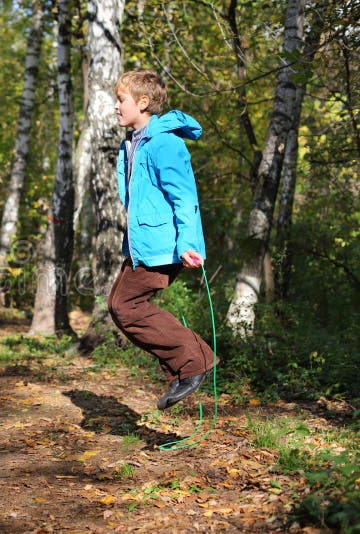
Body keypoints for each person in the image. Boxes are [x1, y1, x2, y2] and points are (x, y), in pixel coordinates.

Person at [108, 69, 215, 410]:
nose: (116, 106)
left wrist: (188, 244)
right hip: (144, 244)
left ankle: (194, 362)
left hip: (165, 246)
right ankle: (183, 369)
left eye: (121, 99)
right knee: (119, 305)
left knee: (127, 306)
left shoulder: (165, 143)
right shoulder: (132, 144)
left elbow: (184, 196)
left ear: (142, 103)